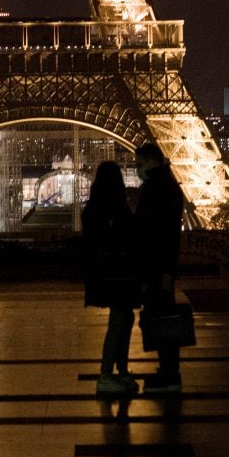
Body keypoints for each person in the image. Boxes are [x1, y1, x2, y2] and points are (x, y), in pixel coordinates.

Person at [82, 161, 141, 396]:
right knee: (120, 323)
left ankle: (120, 372)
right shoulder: (117, 208)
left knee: (123, 321)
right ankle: (108, 373)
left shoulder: (93, 208)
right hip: (120, 275)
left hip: (106, 274)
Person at [134, 142, 185, 393]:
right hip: (159, 265)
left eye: (139, 164)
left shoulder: (157, 188)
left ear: (152, 161)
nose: (137, 169)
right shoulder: (165, 185)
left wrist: (163, 272)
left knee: (162, 318)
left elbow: (158, 233)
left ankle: (169, 375)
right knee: (162, 318)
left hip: (157, 267)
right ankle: (168, 371)